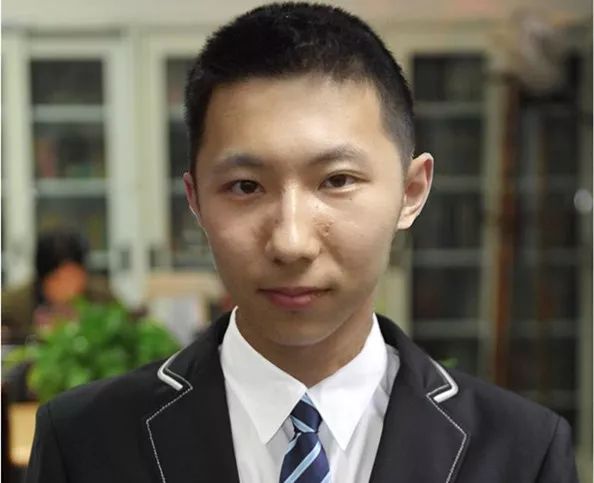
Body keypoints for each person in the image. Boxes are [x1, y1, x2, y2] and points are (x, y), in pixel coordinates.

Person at [26, 4, 578, 482]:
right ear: (195, 200)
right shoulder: (84, 443)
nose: (291, 243)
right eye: (246, 186)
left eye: (337, 180)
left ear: (411, 192)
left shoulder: (522, 452)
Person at [2, 229, 112, 343]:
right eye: (59, 279)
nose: (68, 287)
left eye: (73, 277)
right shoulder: (15, 303)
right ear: (42, 278)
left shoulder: (102, 298)